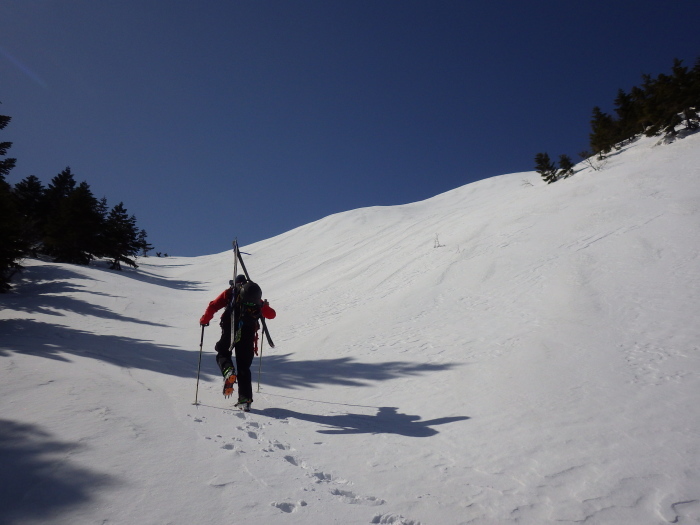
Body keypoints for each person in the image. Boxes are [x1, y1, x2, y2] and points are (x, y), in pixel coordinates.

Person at [200, 275, 276, 410]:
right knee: (244, 366)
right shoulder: (255, 297)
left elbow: (213, 306)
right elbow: (271, 315)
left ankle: (228, 370)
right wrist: (265, 306)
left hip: (231, 327)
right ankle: (245, 400)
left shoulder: (231, 292)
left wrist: (204, 320)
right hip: (248, 332)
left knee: (223, 352)